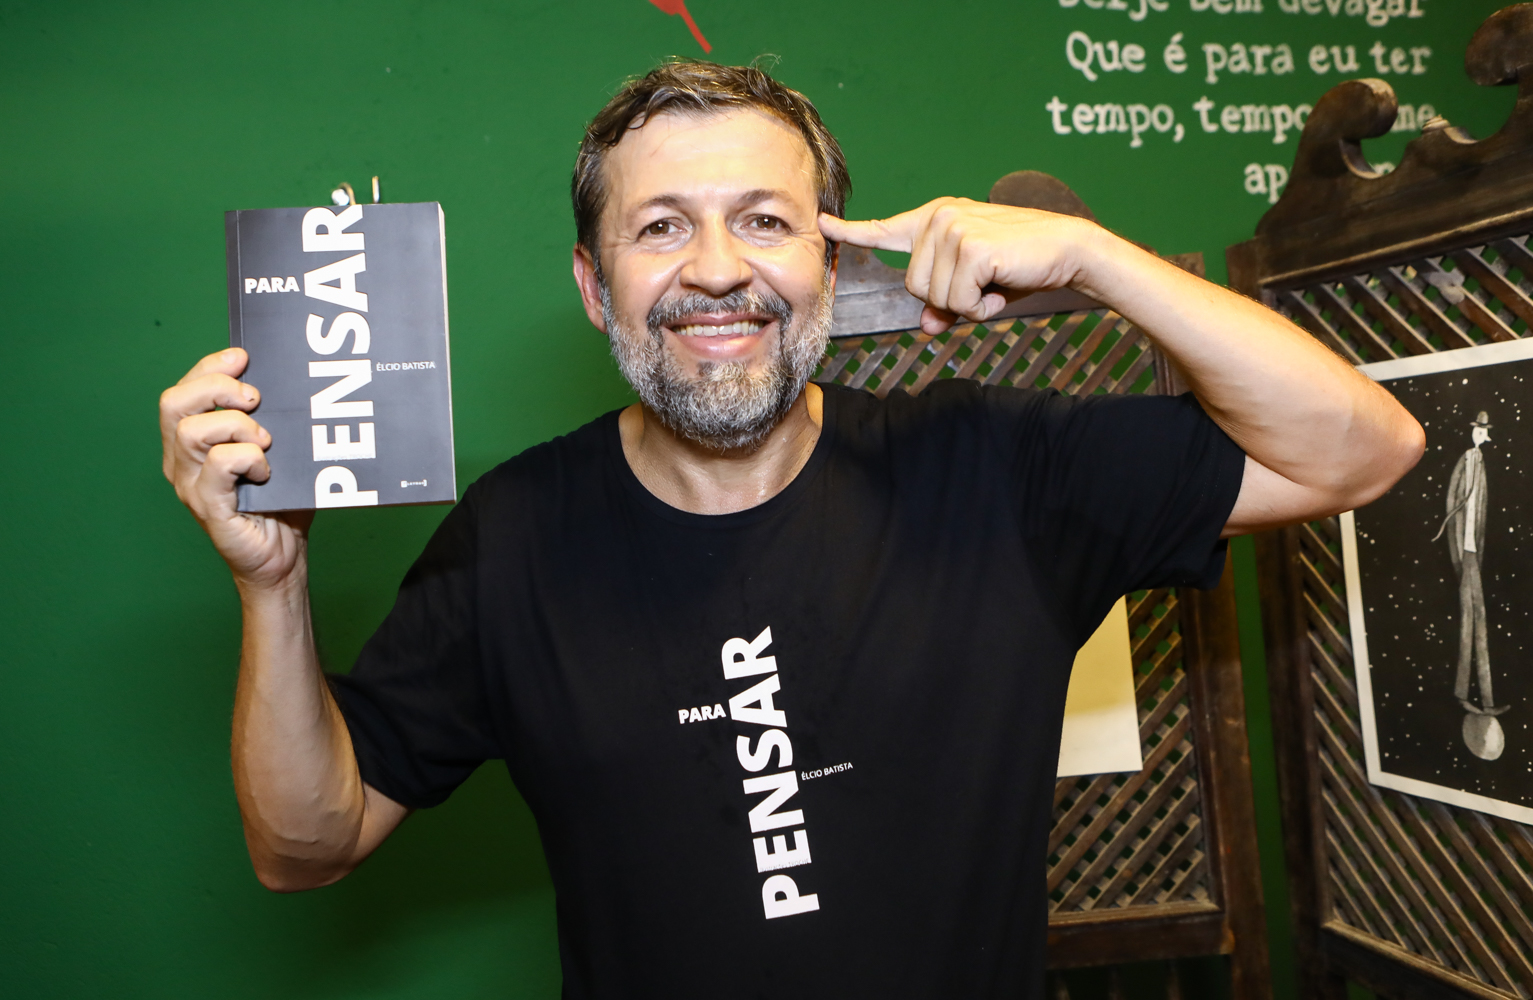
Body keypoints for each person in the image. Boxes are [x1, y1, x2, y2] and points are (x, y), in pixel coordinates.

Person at [159, 61, 1423, 998]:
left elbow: (1366, 448)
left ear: (830, 264)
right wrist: (272, 582)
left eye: (765, 220)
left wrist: (1096, 258)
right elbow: (304, 845)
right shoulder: (513, 538)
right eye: (662, 226)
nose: (718, 268)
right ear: (596, 287)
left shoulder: (995, 467)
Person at [1433, 410, 1508, 760]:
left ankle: (1483, 698)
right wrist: (1454, 523)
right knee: (1472, 621)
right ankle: (1467, 692)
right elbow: (1453, 497)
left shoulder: (1481, 463)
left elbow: (1483, 505)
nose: (1481, 436)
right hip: (1464, 551)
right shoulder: (1465, 461)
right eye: (1479, 431)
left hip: (1473, 549)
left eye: (1484, 432)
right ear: (1474, 432)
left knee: (1478, 620)